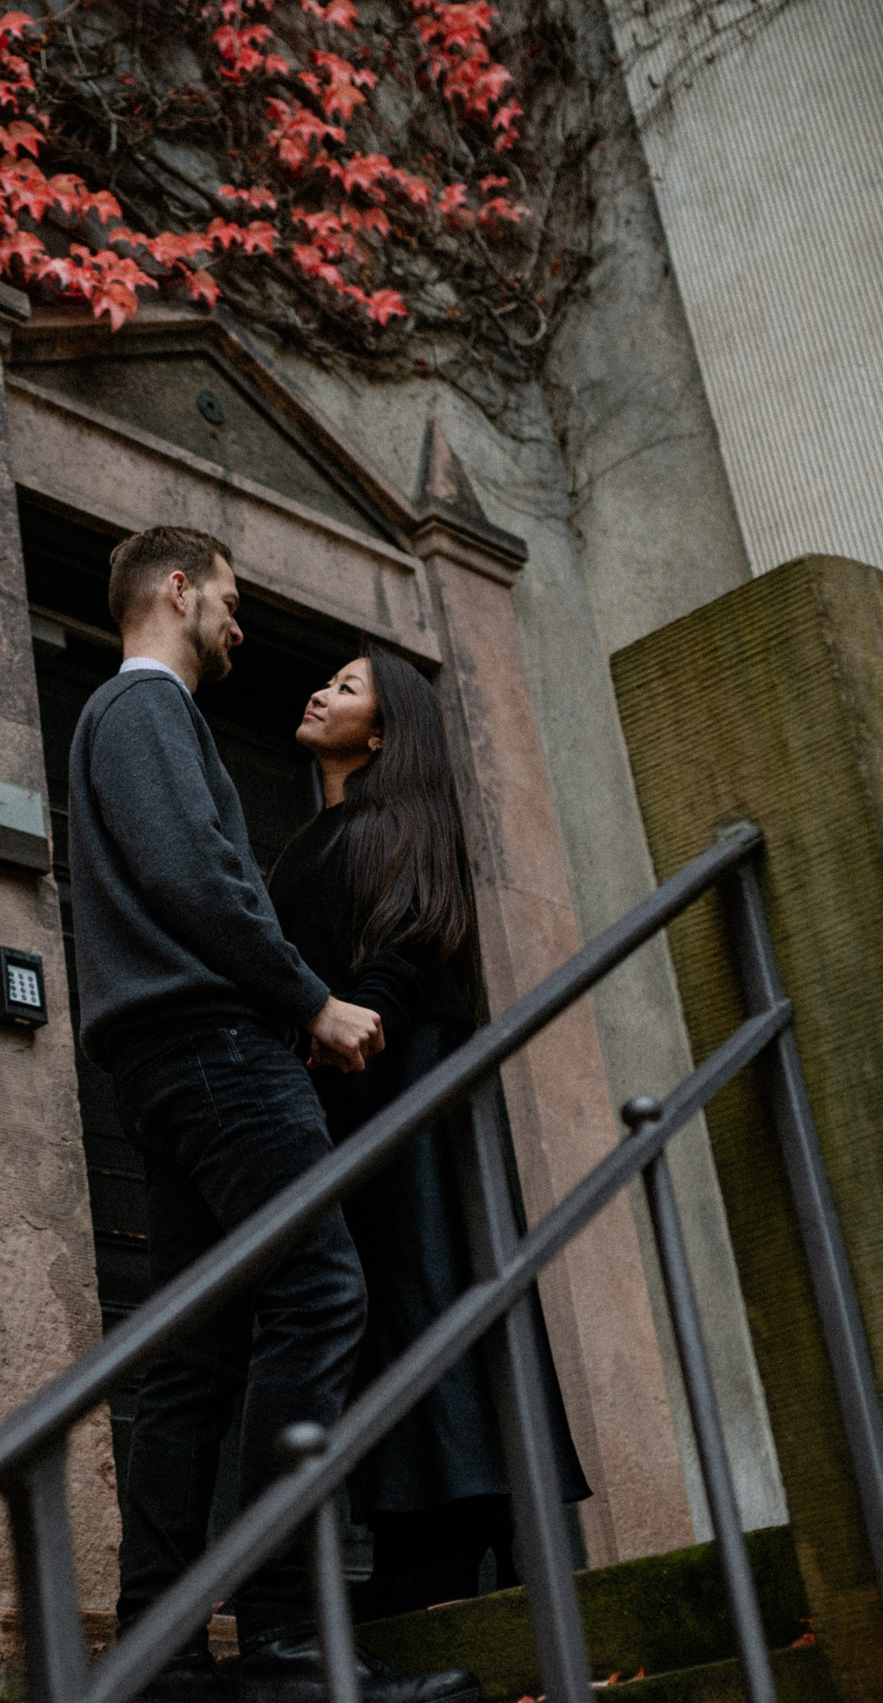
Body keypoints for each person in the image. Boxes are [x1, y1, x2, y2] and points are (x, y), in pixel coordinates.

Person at [67, 527, 481, 1703]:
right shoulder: (145, 709)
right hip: (213, 1051)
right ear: (179, 589)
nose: (243, 627)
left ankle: (162, 1651)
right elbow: (195, 876)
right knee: (321, 1292)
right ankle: (291, 1638)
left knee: (198, 1354)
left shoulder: (127, 719)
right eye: (234, 602)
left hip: (165, 1060)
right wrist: (314, 1000)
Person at [270, 648, 592, 1621]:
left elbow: (414, 938)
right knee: (385, 1307)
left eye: (347, 685)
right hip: (348, 1106)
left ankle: (451, 1540)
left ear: (383, 728)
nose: (320, 688)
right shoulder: (312, 841)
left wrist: (354, 1017)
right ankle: (421, 1535)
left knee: (435, 1289)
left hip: (408, 1088)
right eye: (321, 676)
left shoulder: (403, 822)